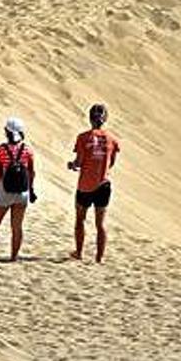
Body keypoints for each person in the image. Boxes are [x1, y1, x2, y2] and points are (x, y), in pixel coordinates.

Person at [67, 103, 120, 263]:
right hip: (103, 184)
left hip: (85, 185)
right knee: (100, 224)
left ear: (90, 118)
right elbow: (111, 162)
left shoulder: (83, 138)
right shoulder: (112, 139)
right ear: (105, 119)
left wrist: (72, 165)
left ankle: (79, 252)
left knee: (80, 220)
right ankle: (99, 257)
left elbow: (79, 162)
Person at [0, 117, 36, 261]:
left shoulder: (1, 150)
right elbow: (32, 172)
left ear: (6, 132)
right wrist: (31, 190)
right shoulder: (27, 150)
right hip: (22, 192)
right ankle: (14, 256)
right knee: (17, 226)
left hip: (4, 191)